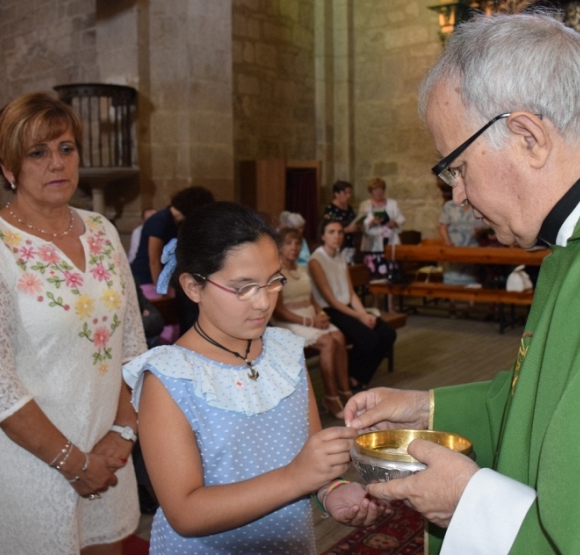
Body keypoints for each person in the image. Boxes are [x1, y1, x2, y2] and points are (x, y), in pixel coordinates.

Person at [345, 11, 580, 554]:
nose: (458, 196)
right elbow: (546, 405)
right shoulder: (573, 244)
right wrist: (425, 408)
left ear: (528, 137)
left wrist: (471, 504)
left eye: (457, 168)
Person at [122, 202, 389, 554]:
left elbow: (308, 463)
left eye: (273, 281)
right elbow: (185, 512)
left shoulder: (285, 354)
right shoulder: (170, 378)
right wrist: (296, 478)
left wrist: (332, 491)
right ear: (192, 286)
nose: (263, 302)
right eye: (243, 287)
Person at [0, 92, 146, 554]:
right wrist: (71, 462)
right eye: (37, 153)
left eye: (65, 148)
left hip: (108, 456)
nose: (56, 163)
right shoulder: (0, 244)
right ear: (8, 169)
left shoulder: (101, 229)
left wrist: (123, 434)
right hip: (33, 463)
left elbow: (132, 342)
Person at [271, 227, 352, 419]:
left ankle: (346, 393)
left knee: (339, 337)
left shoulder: (301, 268)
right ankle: (330, 398)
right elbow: (279, 310)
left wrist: (321, 315)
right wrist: (310, 321)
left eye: (298, 243)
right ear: (279, 247)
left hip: (311, 317)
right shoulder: (276, 272)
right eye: (288, 243)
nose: (294, 247)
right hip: (290, 321)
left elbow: (312, 298)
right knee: (328, 342)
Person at [309, 218, 396, 391]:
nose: (337, 236)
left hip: (346, 307)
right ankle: (352, 377)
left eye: (340, 232)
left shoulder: (340, 255)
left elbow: (351, 292)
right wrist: (360, 316)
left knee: (387, 333)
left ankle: (356, 376)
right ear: (323, 236)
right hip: (329, 310)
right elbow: (331, 300)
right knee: (369, 339)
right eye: (331, 232)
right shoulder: (316, 260)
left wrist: (364, 314)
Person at [131, 186, 215, 335]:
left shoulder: (177, 222)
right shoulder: (159, 221)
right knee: (164, 329)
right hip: (147, 279)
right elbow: (154, 260)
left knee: (175, 326)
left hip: (165, 278)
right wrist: (161, 289)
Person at [357, 177, 405, 276]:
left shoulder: (392, 203)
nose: (379, 192)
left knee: (391, 271)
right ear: (371, 192)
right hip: (372, 243)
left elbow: (401, 218)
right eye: (375, 190)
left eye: (381, 189)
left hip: (389, 242)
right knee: (374, 273)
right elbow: (360, 223)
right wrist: (372, 222)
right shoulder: (365, 205)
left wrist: (394, 223)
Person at [438, 196, 481, 285]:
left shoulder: (478, 206)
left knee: (471, 278)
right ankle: (451, 297)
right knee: (452, 277)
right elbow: (443, 227)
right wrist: (447, 241)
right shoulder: (449, 206)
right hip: (454, 246)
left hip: (472, 247)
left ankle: (471, 297)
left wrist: (481, 231)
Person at [323, 180, 359, 264]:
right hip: (338, 245)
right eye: (345, 193)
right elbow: (328, 228)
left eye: (350, 193)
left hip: (350, 245)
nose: (349, 196)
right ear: (336, 194)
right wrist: (346, 230)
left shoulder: (349, 208)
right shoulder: (330, 209)